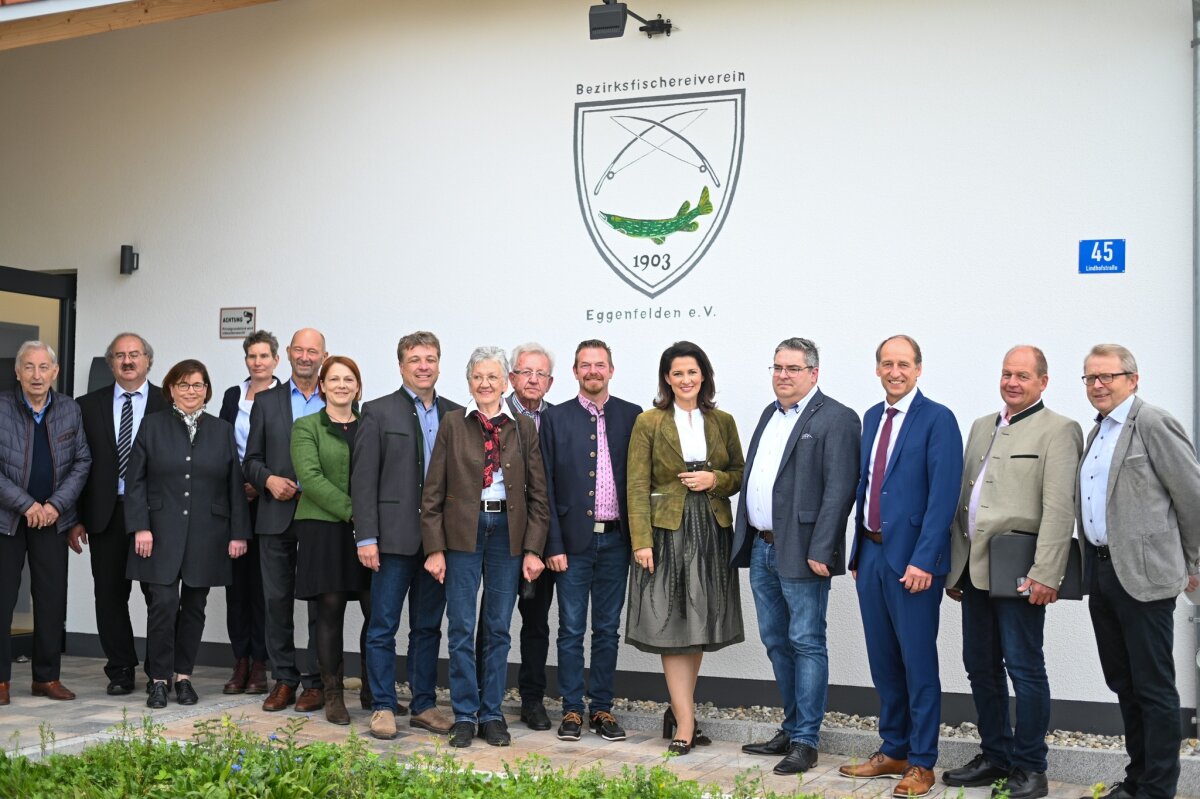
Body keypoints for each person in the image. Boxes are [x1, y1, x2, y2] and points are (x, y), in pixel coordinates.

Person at [941, 346, 1082, 799]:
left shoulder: (1059, 430)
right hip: (974, 571)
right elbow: (965, 500)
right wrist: (954, 571)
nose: (1012, 382)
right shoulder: (983, 426)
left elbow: (1060, 508)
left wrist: (1048, 573)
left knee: (1024, 667)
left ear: (1043, 381)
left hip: (1021, 571)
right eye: (1006, 374)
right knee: (979, 666)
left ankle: (1030, 768)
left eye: (1022, 375)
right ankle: (995, 756)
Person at [837, 334, 962, 799]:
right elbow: (867, 487)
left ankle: (923, 762)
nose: (895, 371)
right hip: (869, 556)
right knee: (883, 659)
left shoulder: (938, 419)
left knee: (917, 661)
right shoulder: (872, 417)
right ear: (877, 369)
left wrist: (925, 559)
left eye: (904, 364)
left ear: (919, 369)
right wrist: (856, 554)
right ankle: (894, 749)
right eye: (887, 363)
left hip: (912, 563)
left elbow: (942, 496)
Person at [1075, 344, 1200, 799]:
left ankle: (1157, 788)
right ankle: (1137, 779)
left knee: (1153, 687)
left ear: (1133, 378)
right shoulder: (1097, 432)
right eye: (1090, 378)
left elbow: (1192, 497)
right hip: (1104, 575)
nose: (1098, 385)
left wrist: (1194, 565)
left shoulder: (1151, 423)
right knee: (1124, 683)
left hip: (1145, 579)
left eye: (1107, 376)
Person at [733, 337, 860, 775]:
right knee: (776, 641)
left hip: (804, 552)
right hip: (763, 546)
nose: (782, 375)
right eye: (777, 367)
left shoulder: (838, 418)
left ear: (814, 373)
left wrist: (823, 547)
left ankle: (806, 740)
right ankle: (789, 728)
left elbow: (839, 489)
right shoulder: (770, 414)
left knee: (806, 641)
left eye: (792, 368)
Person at [422, 346, 548, 749]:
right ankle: (464, 714)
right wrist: (434, 547)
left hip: (507, 534)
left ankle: (492, 714)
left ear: (506, 380)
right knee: (460, 627)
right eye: (478, 376)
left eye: (493, 376)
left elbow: (538, 496)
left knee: (496, 628)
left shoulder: (523, 426)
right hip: (462, 532)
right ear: (469, 381)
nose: (485, 384)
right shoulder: (452, 424)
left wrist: (533, 548)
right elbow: (433, 493)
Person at [625, 341, 745, 756]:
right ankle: (687, 722)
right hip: (666, 532)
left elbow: (739, 473)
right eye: (677, 373)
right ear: (666, 378)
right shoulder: (649, 422)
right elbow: (637, 485)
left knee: (697, 625)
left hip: (711, 530)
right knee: (675, 626)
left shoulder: (723, 420)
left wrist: (716, 481)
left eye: (692, 372)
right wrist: (641, 541)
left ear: (704, 376)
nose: (686, 380)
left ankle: (680, 712)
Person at [124, 359, 249, 709]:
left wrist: (238, 533)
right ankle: (159, 680)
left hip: (208, 534)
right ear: (171, 390)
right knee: (162, 604)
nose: (191, 391)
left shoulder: (221, 429)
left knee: (195, 606)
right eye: (183, 385)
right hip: (159, 534)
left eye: (197, 385)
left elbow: (233, 487)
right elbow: (135, 482)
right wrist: (140, 527)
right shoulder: (152, 426)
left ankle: (184, 677)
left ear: (207, 390)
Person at [353, 331, 457, 741]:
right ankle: (382, 706)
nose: (423, 365)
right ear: (401, 366)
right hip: (392, 542)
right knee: (382, 626)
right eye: (415, 359)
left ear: (439, 363)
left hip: (439, 544)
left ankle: (424, 706)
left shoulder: (456, 413)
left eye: (430, 358)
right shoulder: (377, 412)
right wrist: (366, 538)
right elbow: (363, 481)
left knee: (428, 628)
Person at [541, 339, 641, 742]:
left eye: (600, 365)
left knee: (607, 629)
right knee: (569, 629)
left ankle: (601, 708)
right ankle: (570, 710)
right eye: (586, 365)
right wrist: (553, 544)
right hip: (572, 544)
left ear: (611, 370)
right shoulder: (555, 418)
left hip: (617, 541)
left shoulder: (633, 416)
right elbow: (544, 485)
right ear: (575, 371)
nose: (593, 371)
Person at [70, 332, 164, 695]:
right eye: (120, 355)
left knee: (158, 595)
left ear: (148, 360)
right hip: (105, 515)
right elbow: (77, 466)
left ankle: (160, 668)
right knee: (109, 596)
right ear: (110, 363)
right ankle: (121, 669)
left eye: (135, 354)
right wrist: (75, 518)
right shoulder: (86, 405)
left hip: (155, 517)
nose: (127, 361)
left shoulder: (166, 401)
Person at [0, 341, 90, 706]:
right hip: (6, 520)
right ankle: (1, 681)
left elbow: (82, 460)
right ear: (17, 372)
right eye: (29, 367)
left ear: (54, 372)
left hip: (53, 520)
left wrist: (55, 506)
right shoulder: (2, 408)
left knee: (51, 599)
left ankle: (47, 677)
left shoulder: (70, 409)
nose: (37, 375)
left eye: (44, 367)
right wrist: (26, 505)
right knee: (3, 599)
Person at [243, 328, 328, 713]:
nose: (306, 356)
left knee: (318, 604)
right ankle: (284, 680)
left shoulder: (337, 397)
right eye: (300, 350)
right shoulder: (267, 401)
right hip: (275, 516)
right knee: (276, 601)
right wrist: (267, 480)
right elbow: (251, 460)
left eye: (313, 351)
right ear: (288, 354)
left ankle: (315, 682)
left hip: (321, 517)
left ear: (323, 355)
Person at [290, 356, 372, 726]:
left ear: (358, 386)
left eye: (349, 379)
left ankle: (375, 689)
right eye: (334, 379)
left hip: (370, 531)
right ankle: (333, 694)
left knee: (377, 609)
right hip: (323, 527)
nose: (342, 385)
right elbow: (310, 476)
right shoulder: (306, 426)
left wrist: (369, 518)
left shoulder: (372, 425)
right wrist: (355, 510)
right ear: (322, 385)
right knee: (330, 611)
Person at [216, 329, 280, 695]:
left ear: (275, 360)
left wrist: (260, 482)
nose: (258, 362)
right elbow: (223, 444)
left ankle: (260, 664)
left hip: (267, 499)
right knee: (236, 586)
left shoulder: (283, 397)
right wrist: (237, 486)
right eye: (252, 357)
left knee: (262, 587)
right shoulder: (232, 395)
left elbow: (284, 446)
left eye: (264, 356)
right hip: (233, 500)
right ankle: (239, 661)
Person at [502, 342, 556, 732]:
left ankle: (532, 699)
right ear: (511, 378)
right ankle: (481, 699)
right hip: (499, 537)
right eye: (525, 372)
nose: (532, 379)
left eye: (540, 374)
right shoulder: (494, 414)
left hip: (543, 539)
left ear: (550, 382)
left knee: (536, 623)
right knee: (494, 620)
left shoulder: (558, 419)